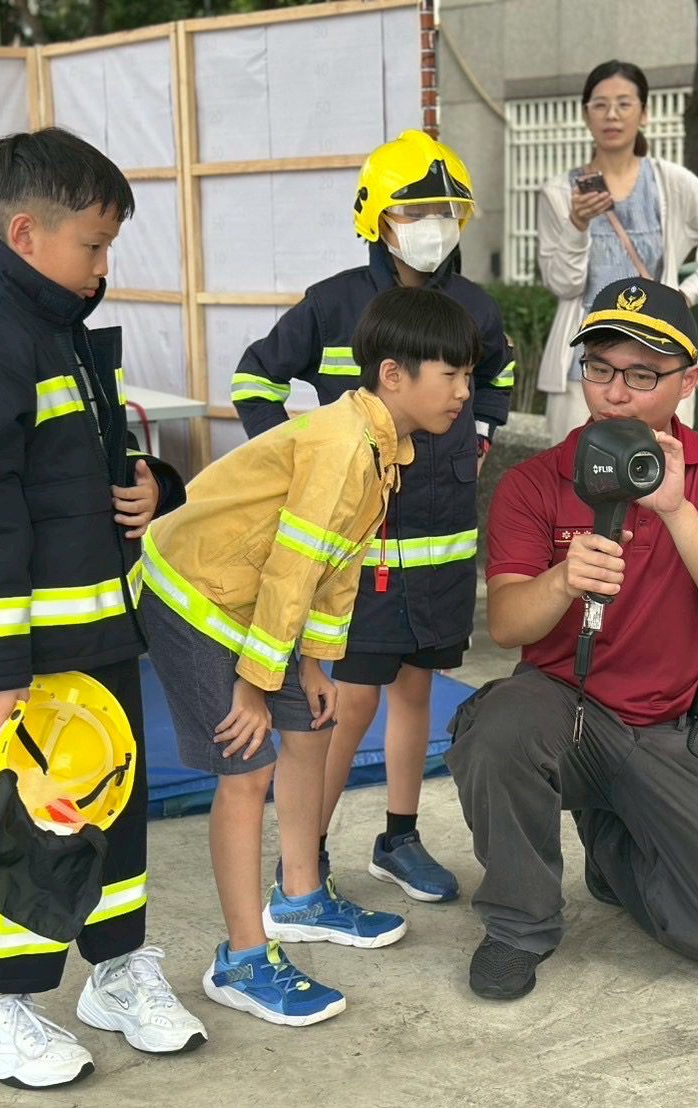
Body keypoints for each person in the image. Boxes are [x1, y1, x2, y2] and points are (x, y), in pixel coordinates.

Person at [0, 127, 199, 1090]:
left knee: (110, 807)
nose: (103, 264)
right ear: (26, 233)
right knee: (29, 825)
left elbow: (80, 469)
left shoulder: (60, 329)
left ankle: (115, 973)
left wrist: (155, 484)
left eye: (110, 244)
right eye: (93, 245)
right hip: (23, 652)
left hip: (93, 632)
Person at [446, 277, 698, 1000]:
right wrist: (562, 579)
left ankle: (612, 847)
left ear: (687, 379)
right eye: (601, 369)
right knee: (496, 730)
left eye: (642, 375)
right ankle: (519, 924)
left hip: (673, 727)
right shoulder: (535, 482)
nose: (615, 393)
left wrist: (675, 511)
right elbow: (509, 625)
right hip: (564, 713)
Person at [144, 286, 480, 1025]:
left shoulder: (381, 445)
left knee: (312, 727)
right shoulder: (339, 447)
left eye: (468, 375)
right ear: (393, 376)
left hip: (253, 598)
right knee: (247, 762)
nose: (464, 391)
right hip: (197, 594)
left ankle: (299, 896)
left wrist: (311, 664)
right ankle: (239, 958)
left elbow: (338, 564)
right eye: (450, 375)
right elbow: (294, 568)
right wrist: (255, 686)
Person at [231, 130, 514, 904]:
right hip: (360, 548)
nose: (436, 224)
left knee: (417, 690)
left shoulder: (475, 309)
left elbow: (499, 379)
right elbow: (256, 378)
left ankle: (397, 837)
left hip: (443, 544)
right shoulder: (331, 304)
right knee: (346, 702)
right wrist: (292, 457)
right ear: (376, 217)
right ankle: (306, 857)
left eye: (450, 209)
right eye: (417, 209)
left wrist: (481, 431)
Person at [536, 59, 698, 441]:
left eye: (624, 104)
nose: (612, 115)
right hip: (586, 364)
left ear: (644, 114)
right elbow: (564, 285)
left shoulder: (669, 181)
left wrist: (687, 293)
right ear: (585, 115)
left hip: (660, 361)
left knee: (660, 479)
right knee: (578, 481)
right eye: (600, 104)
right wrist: (577, 224)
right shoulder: (559, 193)